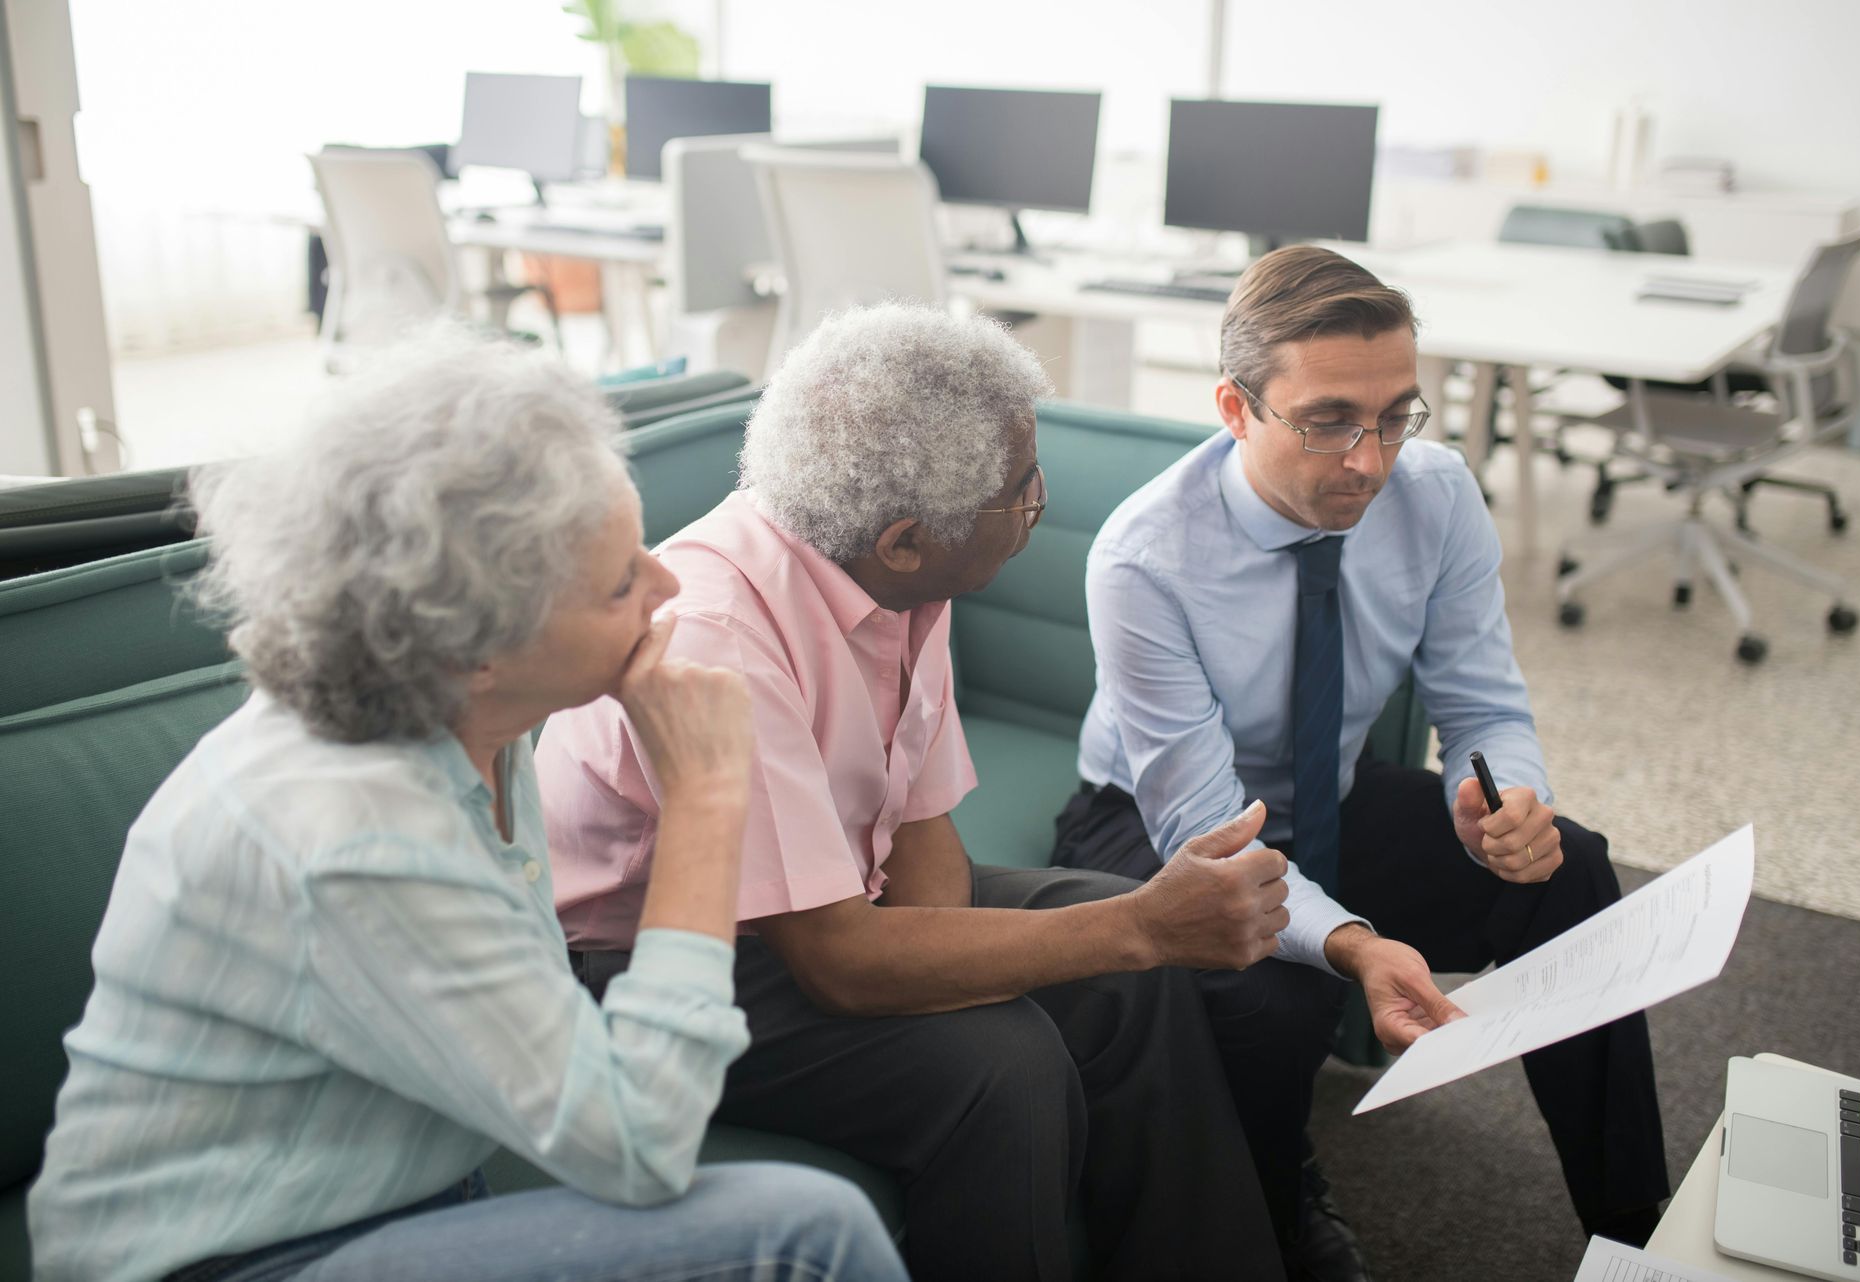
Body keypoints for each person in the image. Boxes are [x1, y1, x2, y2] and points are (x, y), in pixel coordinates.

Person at [28, 328, 905, 1282]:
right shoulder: (352, 834)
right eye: (621, 584)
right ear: (472, 650)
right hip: (234, 1262)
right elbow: (642, 1146)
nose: (668, 584)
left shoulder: (475, 721)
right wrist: (706, 795)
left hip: (399, 1203)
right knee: (807, 1233)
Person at [539, 304, 1294, 1282]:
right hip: (643, 958)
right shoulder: (720, 636)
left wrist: (1005, 960)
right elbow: (841, 963)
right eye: (1024, 493)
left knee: (1122, 969)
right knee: (1006, 1063)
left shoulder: (900, 578)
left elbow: (923, 836)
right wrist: (1143, 924)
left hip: (824, 903)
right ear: (904, 539)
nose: (1038, 505)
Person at [1052, 245, 1672, 1276]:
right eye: (1330, 419)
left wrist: (1509, 797)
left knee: (1572, 869)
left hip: (1325, 793)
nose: (1370, 460)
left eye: (1396, 416)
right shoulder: (1142, 559)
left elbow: (1481, 703)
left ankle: (1635, 1229)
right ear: (1236, 407)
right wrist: (1350, 945)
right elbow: (1203, 829)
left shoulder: (1436, 495)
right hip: (1156, 820)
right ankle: (1277, 1212)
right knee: (1271, 987)